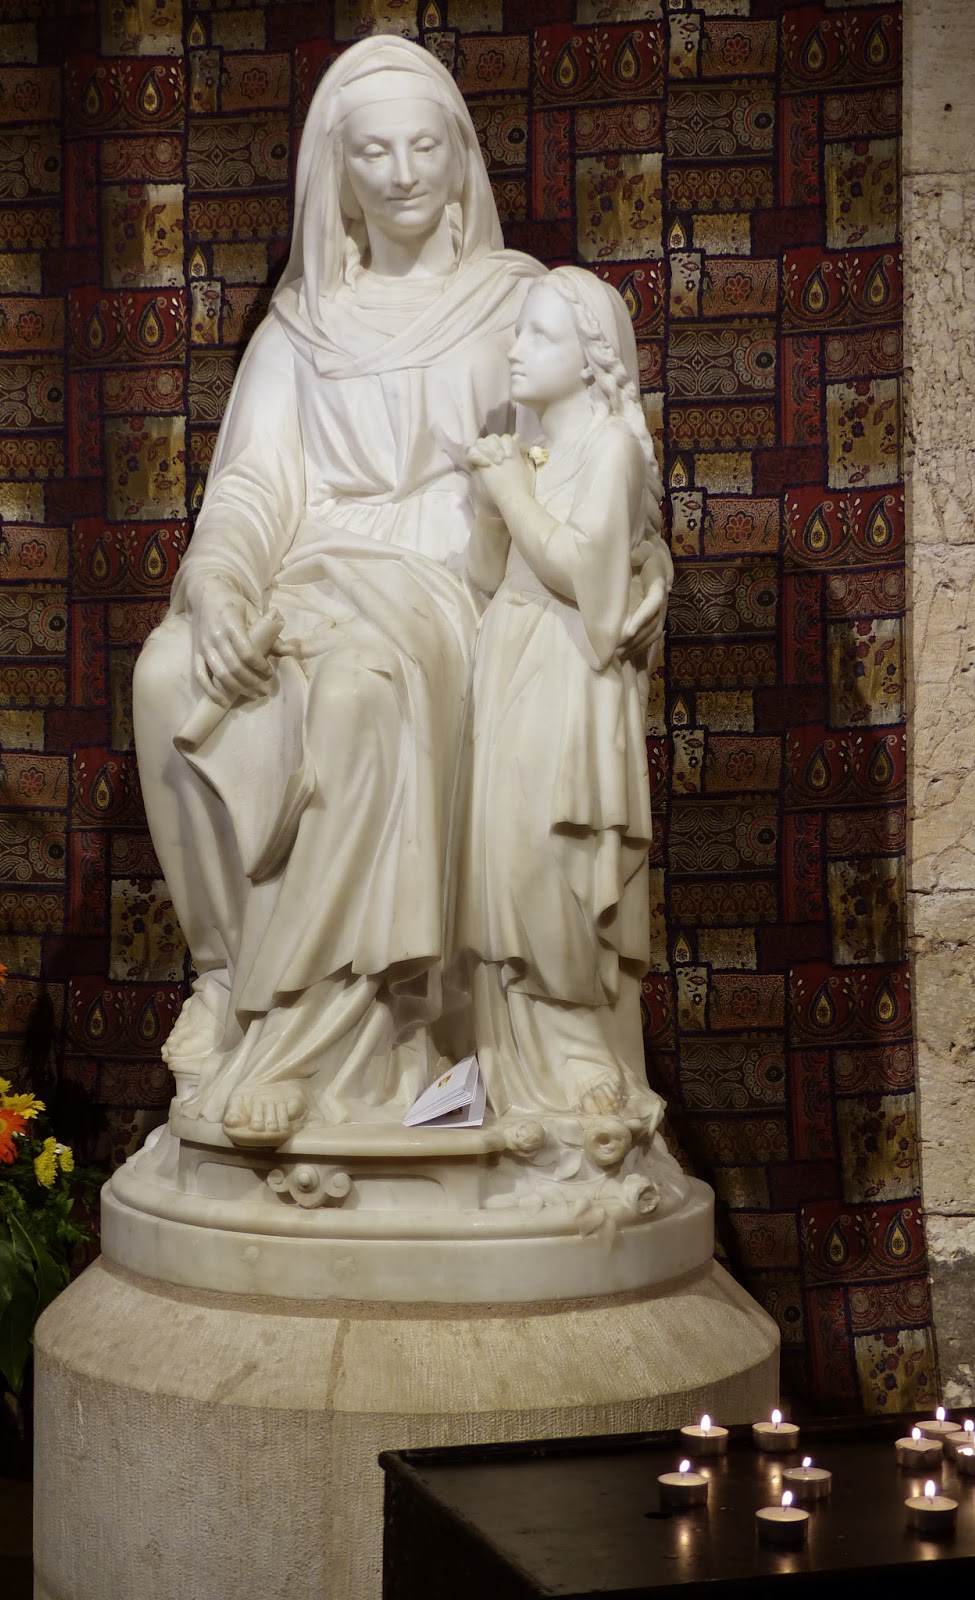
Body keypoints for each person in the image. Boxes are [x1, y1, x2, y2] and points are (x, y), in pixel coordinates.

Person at [132, 37, 545, 1142]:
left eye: (425, 146)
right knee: (168, 673)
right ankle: (226, 981)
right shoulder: (301, 324)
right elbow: (255, 486)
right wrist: (219, 587)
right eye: (376, 151)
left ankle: (314, 1035)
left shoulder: (519, 306)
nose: (404, 171)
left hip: (451, 584)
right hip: (307, 572)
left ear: (460, 156)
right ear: (339, 169)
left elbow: (590, 465)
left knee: (357, 692)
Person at [458, 267, 669, 1139]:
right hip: (511, 655)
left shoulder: (610, 448)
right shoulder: (532, 450)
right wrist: (493, 502)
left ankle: (578, 1049)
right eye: (518, 333)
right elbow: (483, 573)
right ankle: (516, 1068)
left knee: (554, 857)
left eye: (539, 335)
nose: (516, 349)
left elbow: (592, 583)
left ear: (591, 359)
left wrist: (510, 490)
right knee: (506, 860)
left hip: (570, 676)